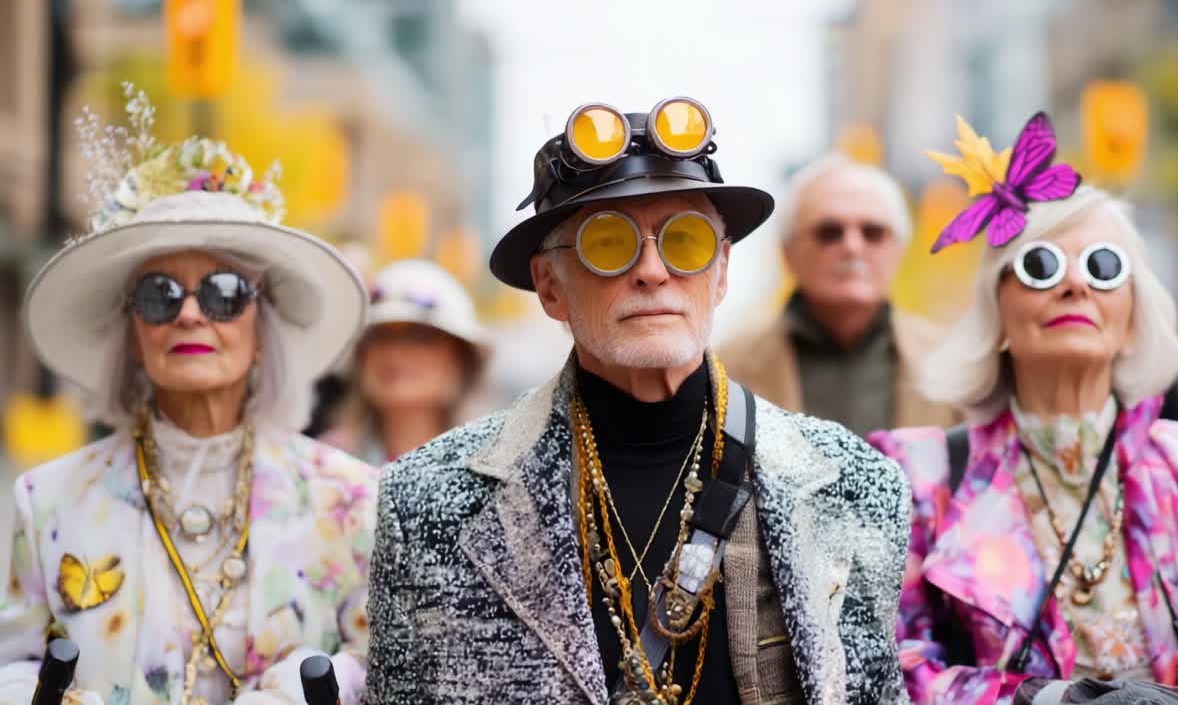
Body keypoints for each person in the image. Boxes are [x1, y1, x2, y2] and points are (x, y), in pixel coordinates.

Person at [365, 98, 911, 704]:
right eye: (607, 244)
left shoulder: (857, 487)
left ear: (722, 271)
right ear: (550, 286)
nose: (653, 270)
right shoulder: (426, 501)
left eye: (685, 240)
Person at [868, 112, 1178, 704]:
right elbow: (896, 672)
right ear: (999, 314)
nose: (1075, 287)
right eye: (1041, 267)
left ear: (1133, 318)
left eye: (1104, 267)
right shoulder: (917, 473)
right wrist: (1053, 700)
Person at [0, 86, 377, 704]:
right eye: (159, 294)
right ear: (132, 332)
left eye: (225, 293)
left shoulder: (351, 495)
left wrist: (295, 692)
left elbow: (379, 661)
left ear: (261, 329)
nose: (192, 316)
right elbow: (14, 660)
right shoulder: (47, 499)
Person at [721, 154, 956, 434]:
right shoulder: (724, 371)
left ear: (899, 250)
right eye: (829, 232)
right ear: (787, 252)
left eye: (873, 232)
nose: (853, 247)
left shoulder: (956, 366)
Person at [322, 259, 489, 465]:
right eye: (380, 336)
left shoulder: (493, 469)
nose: (395, 352)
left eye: (421, 336)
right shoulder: (324, 467)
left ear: (462, 359)